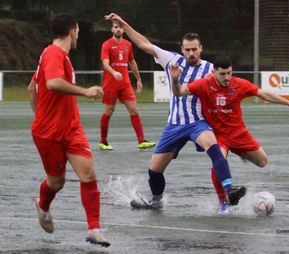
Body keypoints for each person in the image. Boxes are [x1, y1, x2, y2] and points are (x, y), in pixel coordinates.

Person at [104, 13, 246, 215]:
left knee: (214, 149)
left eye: (194, 49)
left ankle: (227, 194)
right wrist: (124, 24)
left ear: (201, 49)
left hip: (199, 123)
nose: (191, 53)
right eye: (187, 50)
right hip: (174, 125)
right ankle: (157, 201)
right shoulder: (172, 60)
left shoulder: (210, 69)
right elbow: (144, 44)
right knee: (154, 170)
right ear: (182, 49)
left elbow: (228, 90)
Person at [169, 54, 289, 205]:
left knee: (262, 162)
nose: (227, 77)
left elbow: (263, 93)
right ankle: (223, 202)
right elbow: (179, 92)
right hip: (218, 135)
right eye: (222, 74)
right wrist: (175, 79)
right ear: (213, 72)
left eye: (229, 73)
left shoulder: (239, 84)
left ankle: (239, 152)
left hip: (238, 133)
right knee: (218, 161)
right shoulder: (203, 84)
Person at [28, 14, 110, 247]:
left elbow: (31, 88)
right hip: (49, 134)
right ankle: (42, 205)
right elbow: (52, 83)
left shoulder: (56, 55)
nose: (78, 36)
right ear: (73, 31)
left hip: (71, 128)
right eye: (78, 32)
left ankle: (93, 229)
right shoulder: (53, 54)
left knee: (88, 174)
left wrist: (40, 114)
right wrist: (85, 92)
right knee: (57, 183)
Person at [98, 21, 155, 150]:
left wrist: (138, 79)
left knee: (134, 110)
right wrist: (113, 72)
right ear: (112, 30)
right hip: (110, 84)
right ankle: (103, 141)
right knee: (109, 111)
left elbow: (132, 62)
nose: (118, 29)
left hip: (125, 84)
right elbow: (105, 63)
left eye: (120, 27)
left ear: (124, 30)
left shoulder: (128, 45)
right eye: (115, 27)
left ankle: (141, 141)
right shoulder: (106, 45)